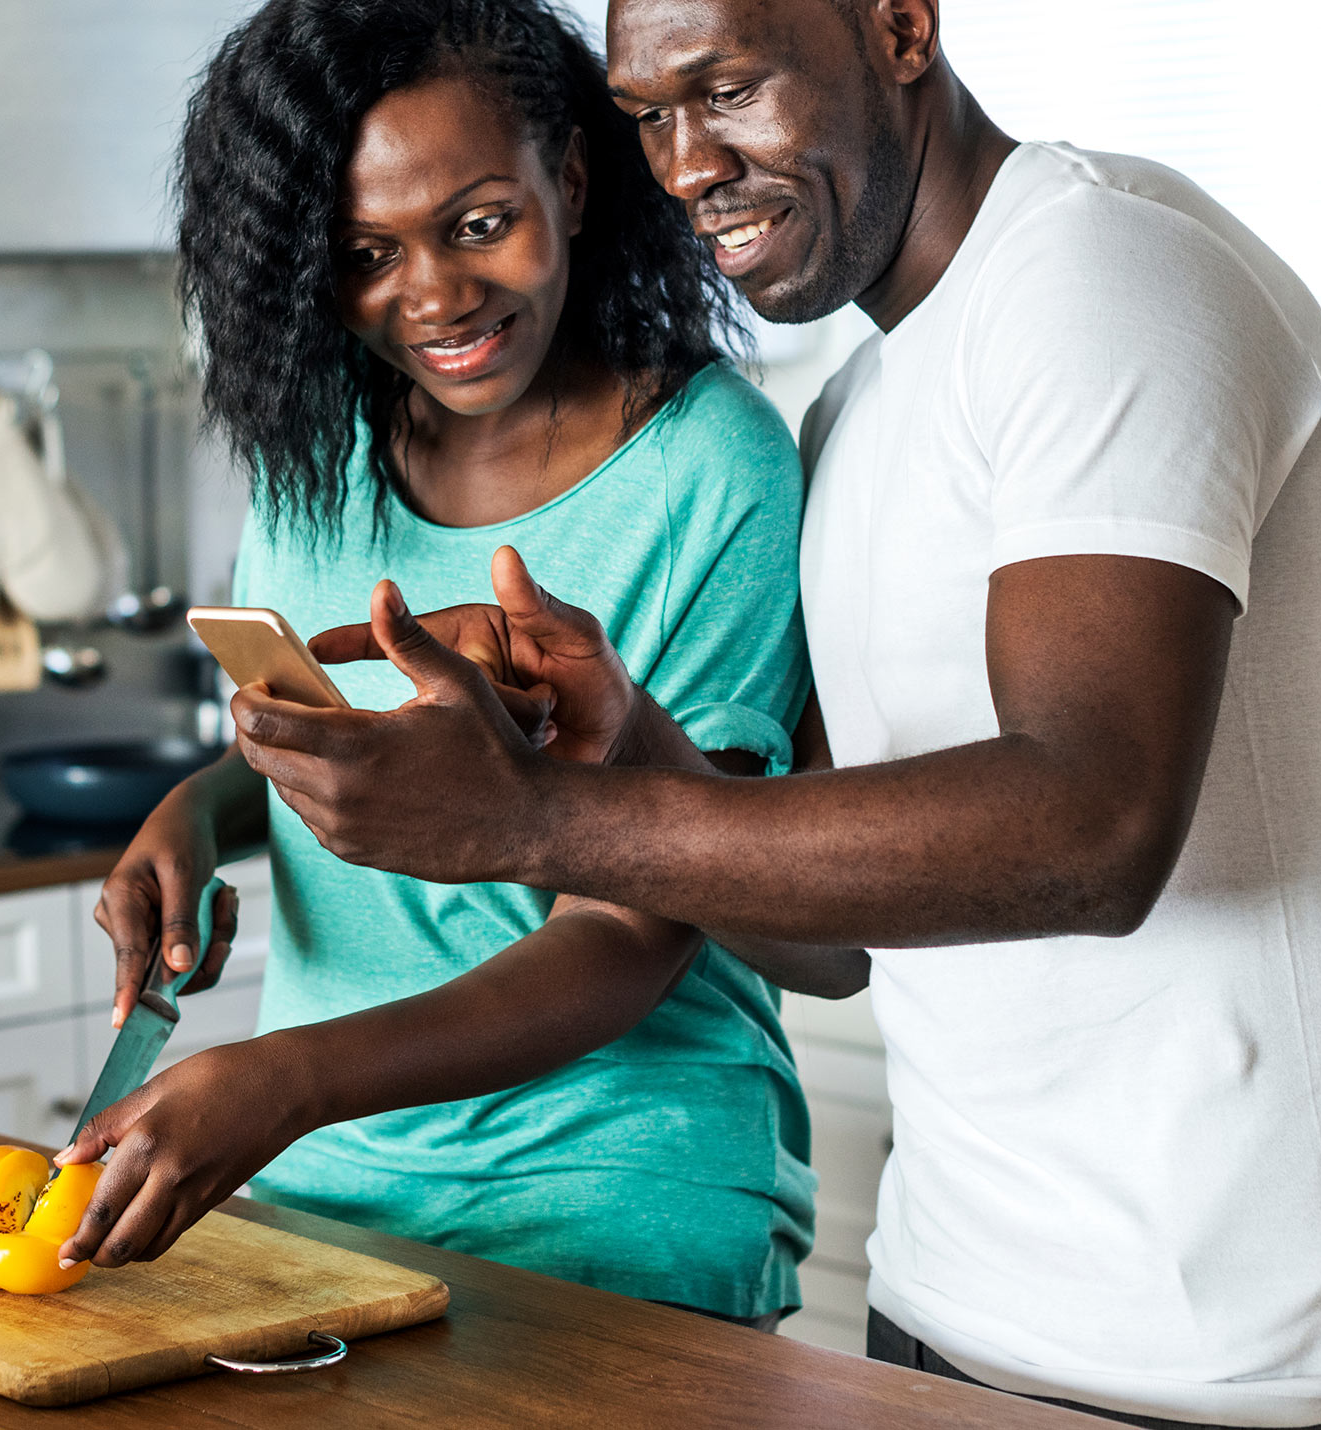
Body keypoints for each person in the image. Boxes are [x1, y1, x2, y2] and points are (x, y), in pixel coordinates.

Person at [201, 0, 1321, 1425]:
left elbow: (1094, 823)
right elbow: (823, 945)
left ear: (896, 27)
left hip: (1230, 1348)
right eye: (649, 115)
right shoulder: (861, 402)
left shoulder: (1102, 275)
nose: (683, 165)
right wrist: (626, 738)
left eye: (728, 88)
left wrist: (540, 816)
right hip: (952, 1299)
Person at [54, 0, 846, 1326]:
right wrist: (193, 814)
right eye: (367, 251)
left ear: (575, 182)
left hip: (606, 1203)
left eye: (479, 223)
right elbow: (335, 741)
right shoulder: (316, 467)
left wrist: (287, 1078)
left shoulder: (711, 469)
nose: (433, 296)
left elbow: (641, 913)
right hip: (321, 1198)